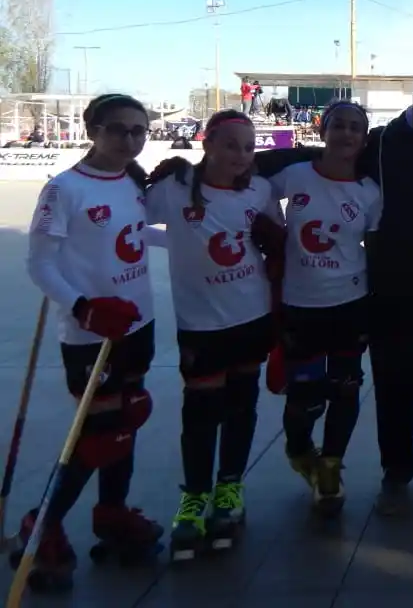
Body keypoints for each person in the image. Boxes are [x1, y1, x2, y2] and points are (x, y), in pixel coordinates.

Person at [249, 67, 413, 514]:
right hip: (391, 290)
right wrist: (230, 164)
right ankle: (397, 473)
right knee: (396, 388)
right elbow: (324, 154)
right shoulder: (385, 143)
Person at [19, 94, 163, 589]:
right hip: (90, 335)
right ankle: (43, 523)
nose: (129, 140)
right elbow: (39, 263)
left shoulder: (132, 181)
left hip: (137, 325)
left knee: (128, 418)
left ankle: (112, 512)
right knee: (99, 435)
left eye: (138, 131)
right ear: (92, 130)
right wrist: (84, 307)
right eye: (118, 130)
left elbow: (139, 235)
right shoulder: (64, 190)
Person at [145, 109, 282, 560]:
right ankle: (195, 497)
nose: (241, 155)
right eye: (231, 145)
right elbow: (130, 219)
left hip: (251, 314)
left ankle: (229, 491)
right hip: (201, 324)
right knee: (201, 412)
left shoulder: (260, 190)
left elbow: (274, 239)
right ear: (208, 143)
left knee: (242, 406)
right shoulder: (176, 188)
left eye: (249, 147)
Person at [266, 100, 380, 515]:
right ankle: (300, 450)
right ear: (323, 130)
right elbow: (251, 193)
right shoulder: (294, 176)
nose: (347, 134)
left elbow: (376, 244)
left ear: (364, 139)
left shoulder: (369, 192)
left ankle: (331, 465)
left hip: (350, 306)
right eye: (339, 126)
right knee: (305, 398)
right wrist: (271, 233)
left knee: (346, 389)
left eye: (356, 128)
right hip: (300, 307)